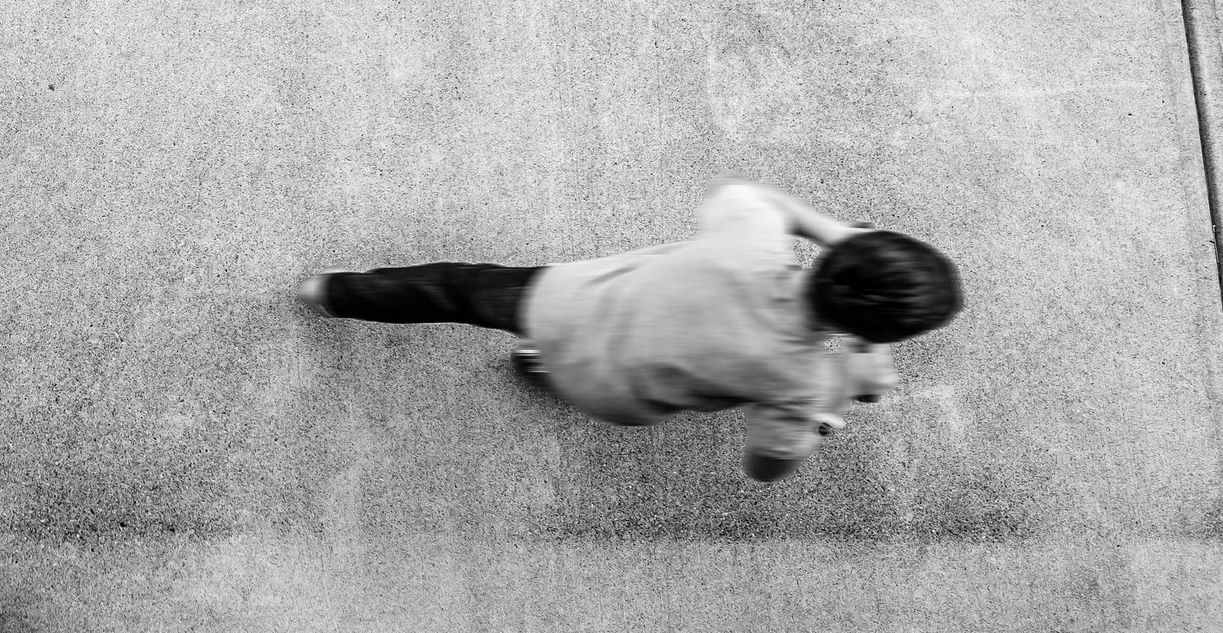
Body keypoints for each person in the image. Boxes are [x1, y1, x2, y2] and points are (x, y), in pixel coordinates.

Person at [298, 183, 962, 482]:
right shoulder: (804, 379)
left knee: (450, 287)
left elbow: (752, 197)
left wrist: (841, 235)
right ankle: (538, 369)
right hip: (609, 391)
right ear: (866, 331)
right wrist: (840, 391)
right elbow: (766, 465)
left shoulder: (755, 243)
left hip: (559, 303)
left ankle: (331, 292)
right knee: (560, 369)